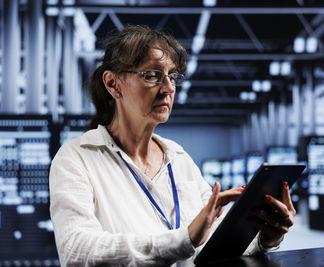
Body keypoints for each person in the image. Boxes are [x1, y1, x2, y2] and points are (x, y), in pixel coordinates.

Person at [49, 25, 296, 266]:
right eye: (153, 75)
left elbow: (211, 247)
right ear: (113, 84)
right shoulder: (77, 158)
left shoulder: (178, 158)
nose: (168, 88)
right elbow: (77, 251)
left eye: (173, 76)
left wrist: (265, 238)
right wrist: (183, 239)